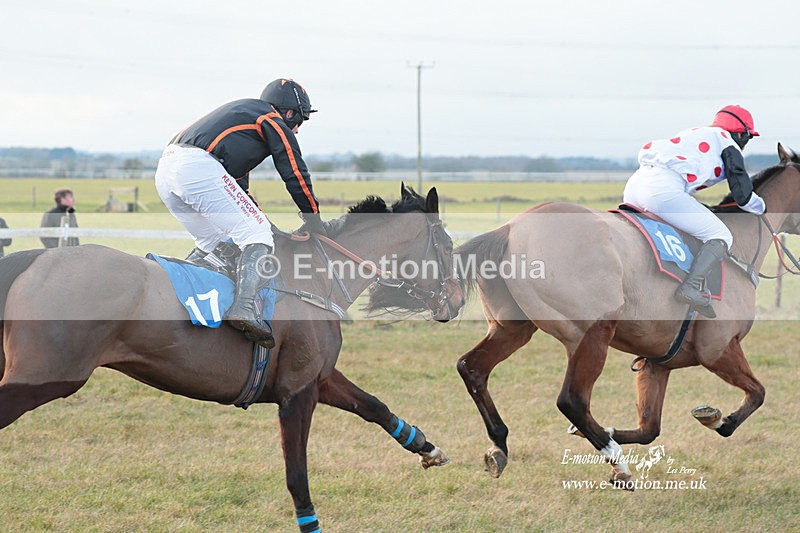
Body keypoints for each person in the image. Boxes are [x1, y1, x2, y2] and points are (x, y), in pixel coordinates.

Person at [155, 78, 325, 348]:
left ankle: (174, 299)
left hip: (166, 171)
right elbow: (294, 171)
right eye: (299, 121)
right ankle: (243, 309)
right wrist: (313, 217)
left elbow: (239, 192)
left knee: (216, 242)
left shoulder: (243, 123)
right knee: (256, 233)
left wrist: (269, 227)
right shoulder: (271, 118)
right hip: (196, 167)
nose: (296, 130)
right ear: (290, 112)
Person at [623, 105, 766, 318]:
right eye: (749, 137)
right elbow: (743, 197)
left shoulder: (697, 132)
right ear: (740, 133)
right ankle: (690, 287)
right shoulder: (727, 143)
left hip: (635, 185)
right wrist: (763, 207)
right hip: (662, 189)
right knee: (721, 235)